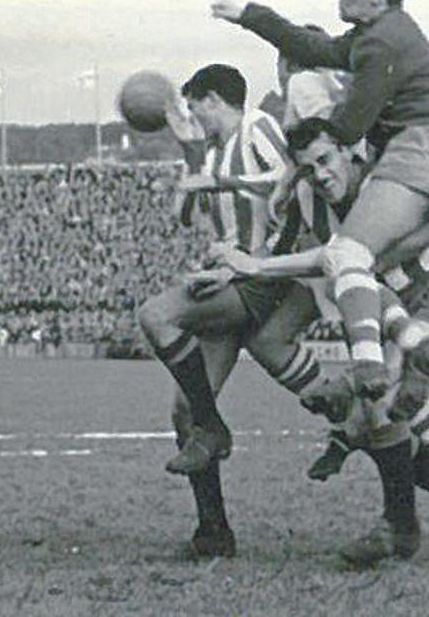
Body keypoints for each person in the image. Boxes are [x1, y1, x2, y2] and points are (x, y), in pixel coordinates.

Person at [197, 116, 429, 564]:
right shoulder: (308, 195)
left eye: (325, 160)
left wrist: (259, 267)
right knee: (384, 421)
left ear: (350, 153)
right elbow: (285, 250)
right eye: (308, 168)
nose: (320, 175)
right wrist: (233, 265)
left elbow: (342, 255)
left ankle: (412, 519)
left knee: (380, 412)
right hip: (376, 305)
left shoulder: (388, 185)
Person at [212, 0, 429, 407]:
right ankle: (416, 355)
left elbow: (349, 125)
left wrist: (298, 167)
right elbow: (312, 46)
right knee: (369, 267)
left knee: (344, 255)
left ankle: (367, 365)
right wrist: (252, 17)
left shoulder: (381, 43)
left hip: (421, 154)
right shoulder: (380, 34)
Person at [135, 63, 320, 559]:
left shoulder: (257, 126)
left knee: (157, 315)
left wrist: (214, 180)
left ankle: (213, 430)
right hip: (230, 279)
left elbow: (288, 181)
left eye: (199, 110)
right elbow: (183, 214)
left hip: (265, 277)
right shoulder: (212, 150)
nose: (197, 120)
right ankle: (213, 532)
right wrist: (191, 152)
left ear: (216, 100)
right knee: (184, 410)